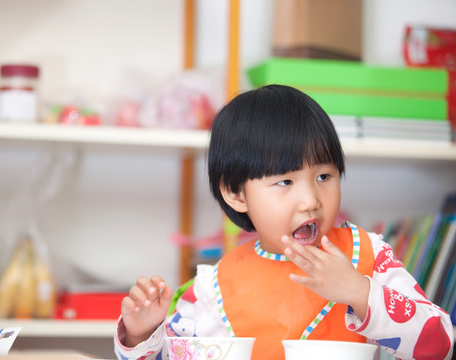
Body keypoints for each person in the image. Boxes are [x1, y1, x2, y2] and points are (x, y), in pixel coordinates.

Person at [114, 85, 454, 360]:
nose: (311, 200)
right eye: (285, 182)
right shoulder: (213, 286)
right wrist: (141, 335)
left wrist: (360, 292)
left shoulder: (370, 256)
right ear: (237, 194)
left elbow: (440, 345)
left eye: (324, 175)